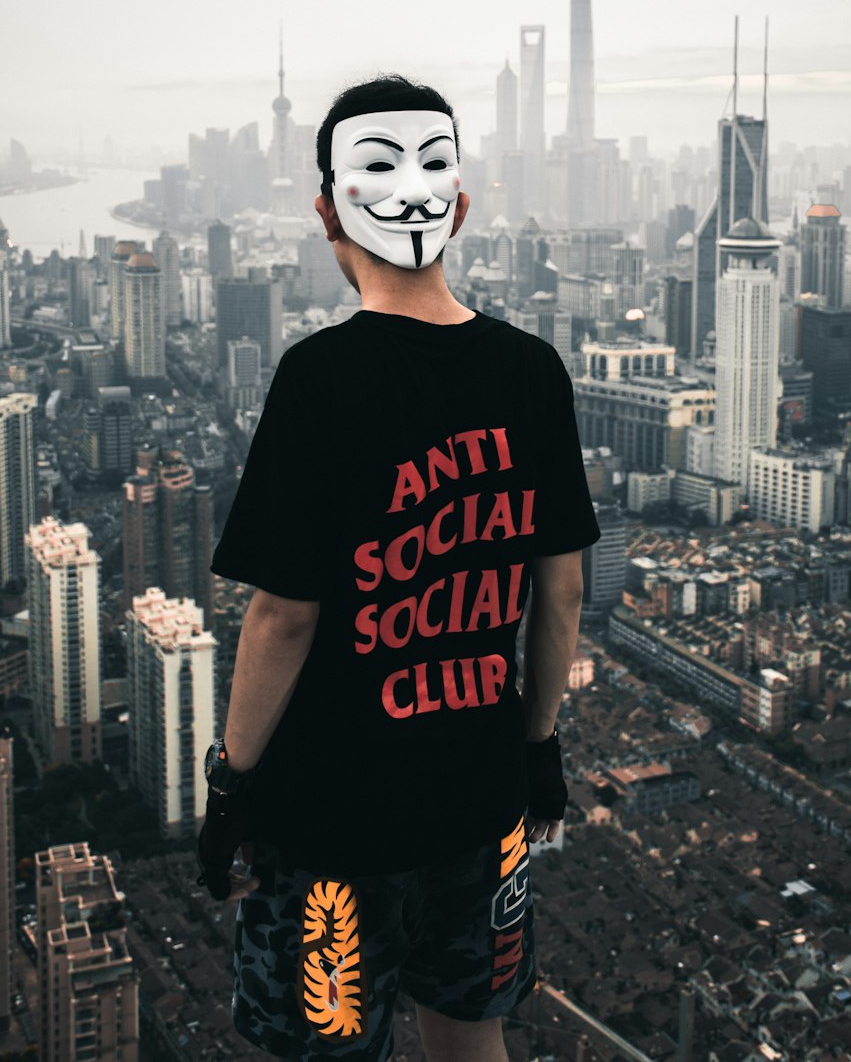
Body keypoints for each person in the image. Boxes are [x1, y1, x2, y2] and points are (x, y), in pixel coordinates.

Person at [199, 74, 599, 1062]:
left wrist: (230, 786)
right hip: (481, 804)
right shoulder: (531, 370)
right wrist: (537, 748)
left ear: (326, 215)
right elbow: (562, 590)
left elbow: (282, 618)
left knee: (332, 1048)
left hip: (331, 829)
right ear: (457, 211)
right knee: (469, 1032)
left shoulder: (317, 378)